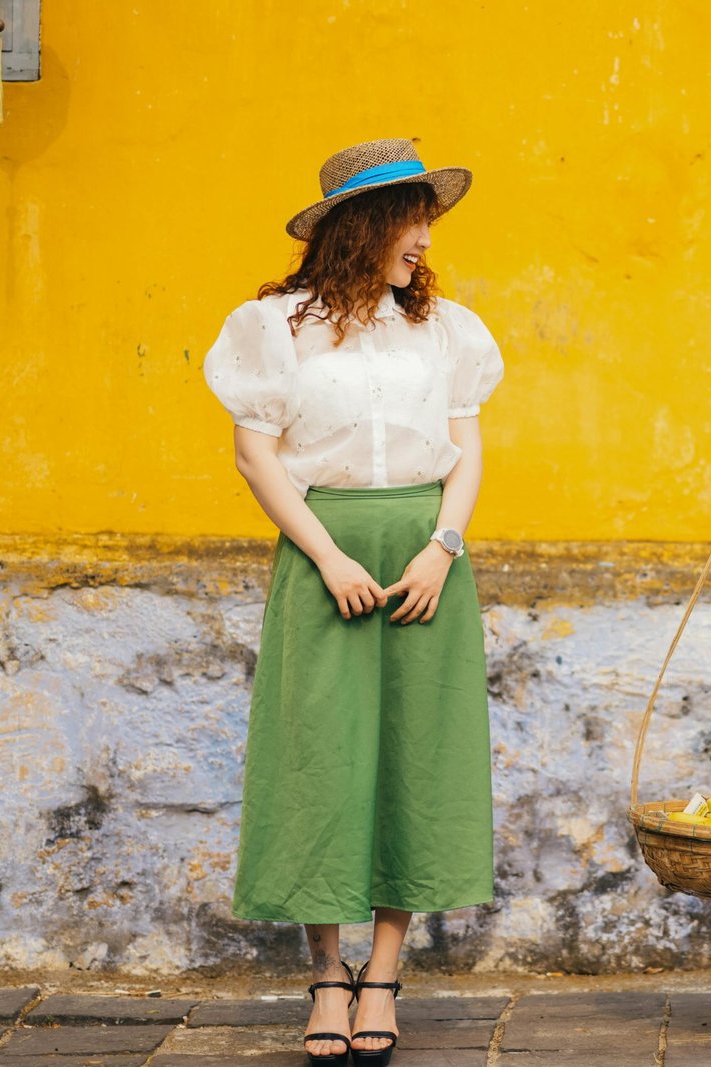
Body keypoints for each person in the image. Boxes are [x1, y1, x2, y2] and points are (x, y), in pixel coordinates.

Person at [203, 138, 502, 1065]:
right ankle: (326, 975)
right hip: (322, 549)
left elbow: (468, 446)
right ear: (363, 227)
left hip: (424, 556)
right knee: (319, 759)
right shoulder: (275, 326)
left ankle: (382, 973)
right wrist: (328, 556)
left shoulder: (446, 328)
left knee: (415, 756)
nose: (424, 238)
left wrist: (442, 549)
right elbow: (257, 455)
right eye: (412, 218)